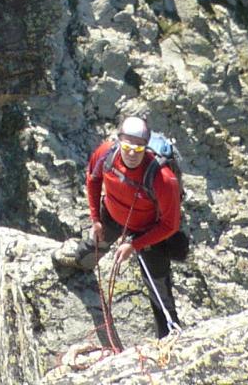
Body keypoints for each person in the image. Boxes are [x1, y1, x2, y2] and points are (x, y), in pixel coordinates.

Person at [78, 113, 188, 337]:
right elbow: (93, 179)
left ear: (146, 148)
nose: (131, 153)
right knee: (90, 248)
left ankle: (168, 335)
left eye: (138, 150)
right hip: (111, 215)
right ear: (118, 141)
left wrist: (135, 245)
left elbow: (170, 225)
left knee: (158, 288)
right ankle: (77, 262)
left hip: (149, 230)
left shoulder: (163, 179)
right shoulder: (105, 154)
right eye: (126, 146)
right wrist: (95, 219)